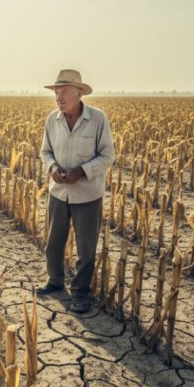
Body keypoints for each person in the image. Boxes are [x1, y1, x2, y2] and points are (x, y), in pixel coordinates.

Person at [38, 69, 115, 313]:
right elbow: (45, 152)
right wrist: (52, 168)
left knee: (86, 247)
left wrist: (81, 171)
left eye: (64, 93)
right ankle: (55, 281)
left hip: (87, 195)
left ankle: (81, 293)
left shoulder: (97, 119)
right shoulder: (53, 120)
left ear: (79, 93)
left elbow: (108, 156)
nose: (58, 98)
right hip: (58, 192)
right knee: (53, 242)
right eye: (56, 93)